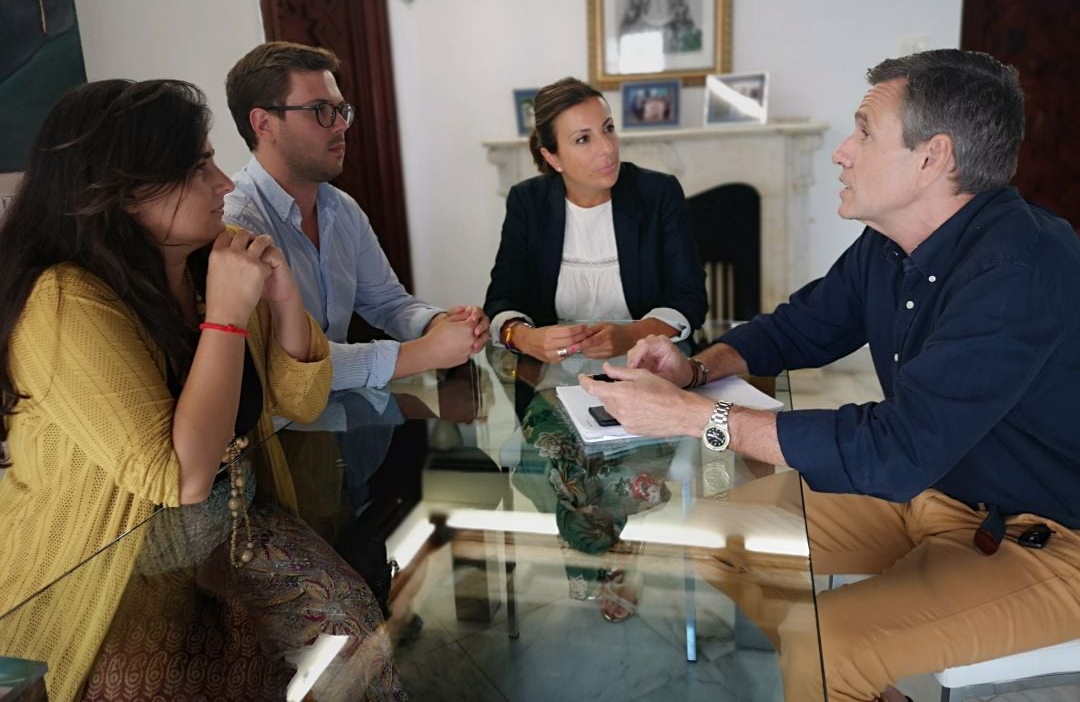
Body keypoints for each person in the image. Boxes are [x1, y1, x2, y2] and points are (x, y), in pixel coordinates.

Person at [581, 49, 1080, 701]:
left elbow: (896, 449)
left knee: (827, 646)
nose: (843, 151)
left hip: (1045, 535)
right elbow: (798, 327)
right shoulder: (891, 243)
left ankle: (830, 660)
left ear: (933, 158)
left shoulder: (1020, 271)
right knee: (712, 534)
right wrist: (698, 367)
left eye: (865, 131)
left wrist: (695, 418)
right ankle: (850, 676)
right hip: (936, 493)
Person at [0, 80, 401, 700]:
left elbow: (301, 398)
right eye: (197, 167)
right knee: (161, 681)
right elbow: (178, 478)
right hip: (109, 560)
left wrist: (285, 294)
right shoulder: (63, 301)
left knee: (352, 627)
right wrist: (226, 319)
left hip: (233, 526)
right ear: (123, 192)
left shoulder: (206, 263)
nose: (225, 183)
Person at [224, 41, 488, 391]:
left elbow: (387, 302)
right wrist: (423, 353)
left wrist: (437, 323)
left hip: (341, 415)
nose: (340, 127)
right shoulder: (237, 223)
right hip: (276, 434)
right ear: (264, 124)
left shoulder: (341, 208)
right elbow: (286, 364)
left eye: (340, 110)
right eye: (320, 110)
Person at [484, 76, 707, 364]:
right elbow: (501, 298)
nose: (607, 148)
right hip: (550, 374)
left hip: (646, 364)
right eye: (583, 139)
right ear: (553, 158)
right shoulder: (527, 202)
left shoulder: (657, 193)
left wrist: (631, 335)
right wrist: (526, 338)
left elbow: (690, 298)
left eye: (608, 129)